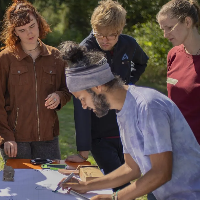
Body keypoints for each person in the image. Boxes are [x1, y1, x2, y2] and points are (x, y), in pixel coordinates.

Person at [59, 41, 200, 200]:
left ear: (97, 87)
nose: (83, 106)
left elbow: (161, 172)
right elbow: (131, 168)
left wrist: (114, 198)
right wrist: (87, 186)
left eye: (82, 98)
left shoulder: (148, 106)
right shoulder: (123, 109)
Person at [66, 0, 149, 192]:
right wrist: (83, 149)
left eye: (111, 36)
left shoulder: (129, 44)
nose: (104, 40)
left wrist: (130, 82)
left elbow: (141, 63)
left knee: (130, 175)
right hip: (99, 131)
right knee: (121, 185)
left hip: (124, 126)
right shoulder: (83, 52)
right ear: (93, 28)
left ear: (120, 31)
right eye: (99, 34)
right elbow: (81, 105)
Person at [0, 0, 71, 159]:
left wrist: (59, 96)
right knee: (16, 182)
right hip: (16, 140)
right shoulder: (5, 58)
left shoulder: (56, 56)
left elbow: (67, 90)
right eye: (22, 30)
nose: (29, 33)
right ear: (15, 32)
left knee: (53, 183)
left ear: (38, 23)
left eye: (32, 26)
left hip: (48, 138)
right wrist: (6, 137)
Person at [157, 0, 200, 144]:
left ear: (187, 22)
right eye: (163, 29)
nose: (165, 34)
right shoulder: (173, 54)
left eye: (169, 27)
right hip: (175, 144)